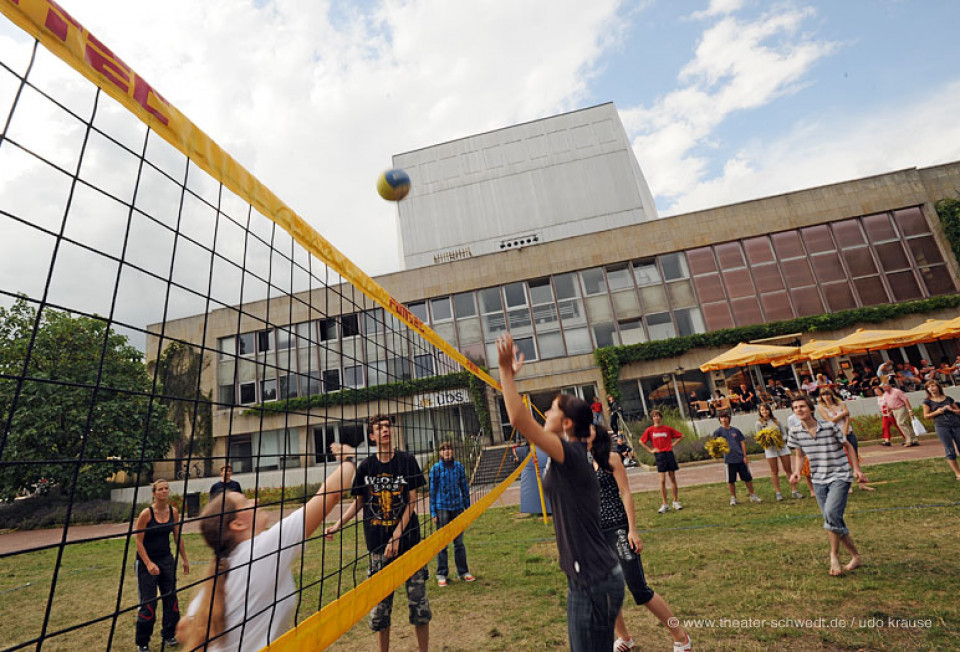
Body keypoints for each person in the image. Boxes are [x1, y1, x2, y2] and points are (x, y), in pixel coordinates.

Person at [497, 334, 624, 651]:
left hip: (593, 581)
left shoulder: (570, 454)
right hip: (591, 578)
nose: (546, 412)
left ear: (566, 423)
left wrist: (504, 371)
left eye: (551, 409)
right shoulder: (569, 454)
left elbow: (517, 419)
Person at [177, 444, 357, 651]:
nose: (255, 500)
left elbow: (183, 629)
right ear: (237, 525)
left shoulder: (222, 569)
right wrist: (349, 458)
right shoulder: (264, 550)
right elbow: (331, 494)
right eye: (246, 503)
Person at [325, 416, 431, 652]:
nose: (385, 430)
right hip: (377, 547)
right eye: (379, 428)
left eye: (387, 426)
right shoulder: (366, 467)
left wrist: (396, 535)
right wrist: (337, 525)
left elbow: (412, 502)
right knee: (381, 610)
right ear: (372, 437)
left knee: (419, 607)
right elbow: (359, 503)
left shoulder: (406, 461)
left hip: (409, 544)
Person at [589, 425, 691, 652]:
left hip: (618, 529)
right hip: (597, 535)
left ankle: (680, 636)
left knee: (639, 589)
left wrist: (632, 530)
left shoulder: (611, 458)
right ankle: (624, 638)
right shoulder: (585, 463)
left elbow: (625, 493)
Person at [787, 395, 868, 576]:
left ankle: (834, 556)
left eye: (802, 406)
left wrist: (856, 469)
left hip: (839, 474)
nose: (799, 410)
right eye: (795, 408)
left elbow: (848, 446)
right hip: (818, 479)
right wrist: (797, 472)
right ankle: (855, 556)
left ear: (810, 409)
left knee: (831, 514)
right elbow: (799, 455)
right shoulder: (795, 431)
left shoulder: (829, 427)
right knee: (832, 520)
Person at [135, 479, 189, 652]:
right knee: (149, 604)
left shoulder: (173, 512)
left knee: (171, 599)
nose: (164, 492)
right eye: (160, 489)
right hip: (147, 563)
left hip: (166, 560)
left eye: (166, 488)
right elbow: (138, 541)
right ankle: (142, 643)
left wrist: (184, 559)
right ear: (154, 493)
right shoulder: (146, 514)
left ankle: (169, 634)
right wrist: (148, 563)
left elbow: (177, 537)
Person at [429, 442, 475, 587]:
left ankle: (463, 572)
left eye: (449, 449)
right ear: (440, 453)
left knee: (459, 542)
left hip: (457, 507)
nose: (447, 451)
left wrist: (467, 508)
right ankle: (442, 574)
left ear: (453, 451)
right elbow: (432, 491)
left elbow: (464, 487)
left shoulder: (459, 467)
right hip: (442, 507)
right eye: (443, 449)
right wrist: (433, 512)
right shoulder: (435, 469)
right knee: (442, 542)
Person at [817, 390, 874, 492]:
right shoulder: (821, 408)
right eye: (823, 395)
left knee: (855, 458)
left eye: (828, 394)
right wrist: (841, 415)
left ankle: (861, 483)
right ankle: (848, 485)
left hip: (848, 433)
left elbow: (847, 417)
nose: (826, 397)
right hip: (835, 435)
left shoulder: (841, 404)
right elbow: (829, 420)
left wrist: (845, 430)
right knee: (842, 460)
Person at [638, 410, 684, 513]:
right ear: (652, 418)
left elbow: (681, 436)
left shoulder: (667, 429)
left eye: (658, 416)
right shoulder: (650, 430)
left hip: (669, 453)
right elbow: (641, 441)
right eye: (654, 416)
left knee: (672, 477)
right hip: (659, 455)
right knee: (662, 480)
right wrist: (650, 450)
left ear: (660, 417)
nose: (656, 418)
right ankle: (665, 503)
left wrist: (673, 444)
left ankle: (675, 501)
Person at [712, 412, 761, 505]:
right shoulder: (718, 432)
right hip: (729, 460)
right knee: (731, 480)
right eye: (722, 417)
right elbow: (714, 445)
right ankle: (733, 498)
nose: (724, 419)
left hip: (740, 458)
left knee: (747, 478)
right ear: (719, 419)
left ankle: (752, 495)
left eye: (726, 417)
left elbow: (742, 443)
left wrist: (745, 456)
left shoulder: (736, 431)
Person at [755, 403, 802, 501]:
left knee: (788, 469)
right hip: (770, 449)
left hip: (781, 447)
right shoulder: (759, 423)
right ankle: (778, 492)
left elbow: (785, 434)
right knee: (774, 471)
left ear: (769, 410)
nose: (764, 412)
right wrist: (768, 441)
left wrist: (778, 439)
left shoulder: (776, 421)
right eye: (762, 410)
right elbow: (758, 438)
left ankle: (794, 491)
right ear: (760, 412)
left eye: (766, 409)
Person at [921, 380, 960, 480]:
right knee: (950, 450)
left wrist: (952, 410)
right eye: (929, 387)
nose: (932, 388)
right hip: (942, 426)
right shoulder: (927, 402)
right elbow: (926, 416)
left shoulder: (948, 399)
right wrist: (937, 412)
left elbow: (958, 411)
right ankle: (957, 473)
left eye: (933, 386)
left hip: (956, 424)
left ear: (938, 387)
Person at [881, 382, 918, 446]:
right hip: (894, 410)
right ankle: (914, 439)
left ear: (889, 386)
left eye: (885, 387)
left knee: (900, 423)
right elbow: (887, 403)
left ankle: (909, 440)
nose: (884, 389)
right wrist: (889, 411)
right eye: (883, 388)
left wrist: (910, 410)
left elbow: (905, 400)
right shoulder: (885, 394)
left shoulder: (897, 391)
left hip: (901, 408)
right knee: (905, 424)